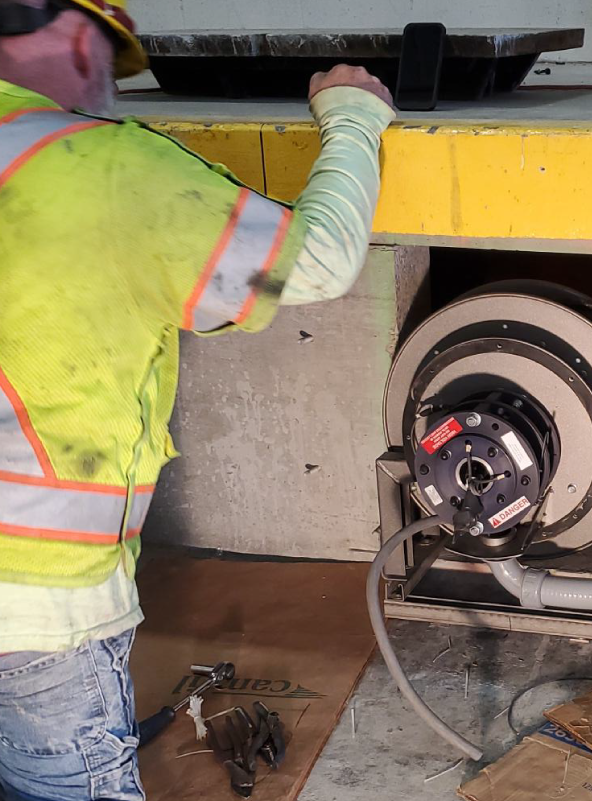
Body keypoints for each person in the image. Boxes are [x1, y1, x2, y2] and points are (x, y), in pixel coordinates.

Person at [0, 0, 396, 797]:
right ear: (83, 38)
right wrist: (355, 117)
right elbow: (316, 261)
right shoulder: (95, 164)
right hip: (31, 604)